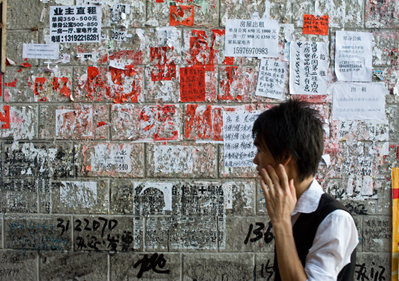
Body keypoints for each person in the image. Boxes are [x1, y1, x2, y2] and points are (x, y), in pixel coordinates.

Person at [252, 99, 358, 281]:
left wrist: (281, 222)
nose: (255, 160)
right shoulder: (291, 207)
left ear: (285, 156)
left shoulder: (334, 220)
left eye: (260, 150)